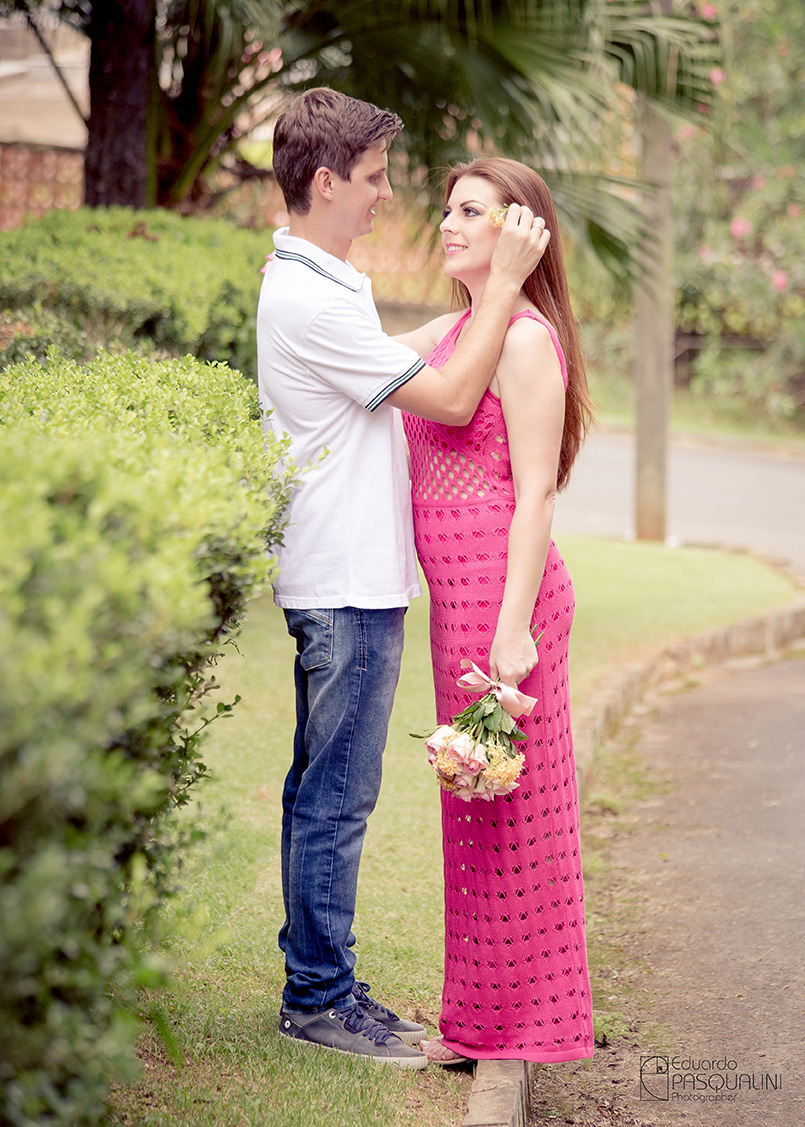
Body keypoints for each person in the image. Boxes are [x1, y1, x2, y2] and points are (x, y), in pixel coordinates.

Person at [256, 89, 550, 1068]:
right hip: (344, 584)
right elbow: (456, 391)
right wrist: (503, 281)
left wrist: (485, 300)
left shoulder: (329, 281)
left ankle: (326, 983)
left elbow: (431, 351)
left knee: (326, 793)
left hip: (361, 582)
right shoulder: (305, 294)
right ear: (328, 181)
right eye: (376, 178)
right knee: (334, 800)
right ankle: (321, 998)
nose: (390, 197)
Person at [398, 157, 596, 1065]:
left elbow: (536, 497)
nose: (447, 223)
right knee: (471, 810)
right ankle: (474, 1021)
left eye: (470, 211)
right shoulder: (452, 331)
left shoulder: (521, 340)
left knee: (516, 817)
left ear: (516, 232)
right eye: (447, 208)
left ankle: (529, 1025)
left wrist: (512, 627)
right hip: (455, 606)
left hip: (505, 604)